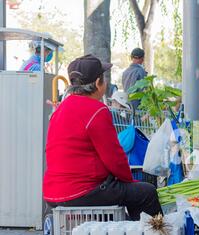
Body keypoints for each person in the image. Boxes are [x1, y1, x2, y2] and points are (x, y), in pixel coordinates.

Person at [43, 55, 162, 221]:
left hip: (53, 192)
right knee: (146, 193)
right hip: (82, 191)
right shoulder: (97, 109)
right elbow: (114, 158)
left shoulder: (61, 109)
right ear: (99, 83)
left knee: (128, 198)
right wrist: (129, 181)